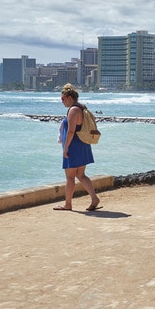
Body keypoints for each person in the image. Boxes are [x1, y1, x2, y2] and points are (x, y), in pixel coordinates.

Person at [54, 83, 101, 212]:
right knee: (81, 175)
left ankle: (68, 204)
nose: (62, 102)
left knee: (70, 177)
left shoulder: (73, 110)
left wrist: (65, 148)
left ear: (69, 97)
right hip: (82, 144)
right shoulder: (81, 107)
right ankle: (94, 198)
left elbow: (71, 131)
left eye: (63, 99)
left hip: (74, 146)